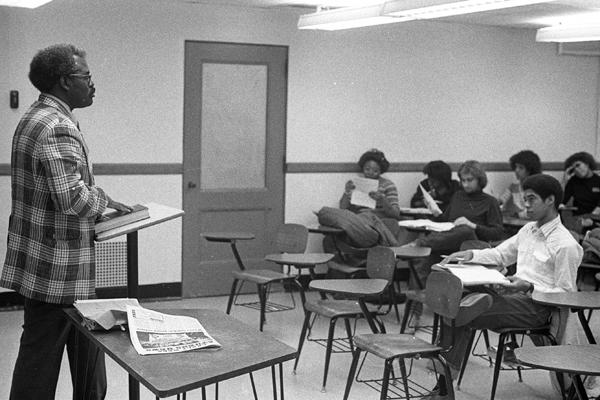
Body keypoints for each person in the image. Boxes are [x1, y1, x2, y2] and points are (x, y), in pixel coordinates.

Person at [0, 44, 131, 400]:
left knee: (86, 355)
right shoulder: (58, 125)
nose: (92, 84)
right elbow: (72, 198)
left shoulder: (33, 117)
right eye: (85, 77)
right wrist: (105, 201)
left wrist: (100, 201)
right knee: (40, 364)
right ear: (63, 81)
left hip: (45, 264)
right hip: (59, 272)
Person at [432, 174, 583, 398]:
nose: (526, 205)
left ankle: (443, 388)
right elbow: (501, 254)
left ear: (550, 200)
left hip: (538, 309)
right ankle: (443, 385)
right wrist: (471, 254)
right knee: (458, 305)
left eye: (532, 199)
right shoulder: (528, 230)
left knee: (460, 312)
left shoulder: (565, 244)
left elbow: (565, 295)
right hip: (514, 298)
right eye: (525, 199)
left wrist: (528, 287)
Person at [340, 148, 400, 220]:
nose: (370, 173)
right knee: (326, 212)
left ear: (381, 171)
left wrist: (383, 199)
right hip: (357, 219)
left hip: (377, 220)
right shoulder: (357, 183)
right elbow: (342, 207)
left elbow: (396, 214)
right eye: (367, 169)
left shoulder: (388, 185)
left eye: (375, 171)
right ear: (363, 168)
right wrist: (347, 191)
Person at [562, 151, 600, 231]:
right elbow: (563, 201)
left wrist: (590, 219)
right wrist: (565, 180)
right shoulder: (573, 181)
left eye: (578, 165)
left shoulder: (598, 181)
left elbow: (598, 209)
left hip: (595, 217)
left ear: (587, 163)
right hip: (579, 218)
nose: (576, 170)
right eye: (573, 168)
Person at [498, 150, 542, 218]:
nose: (516, 170)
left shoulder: (538, 187)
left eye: (521, 168)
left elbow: (535, 210)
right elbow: (501, 200)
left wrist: (517, 215)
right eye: (516, 167)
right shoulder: (514, 186)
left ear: (529, 170)